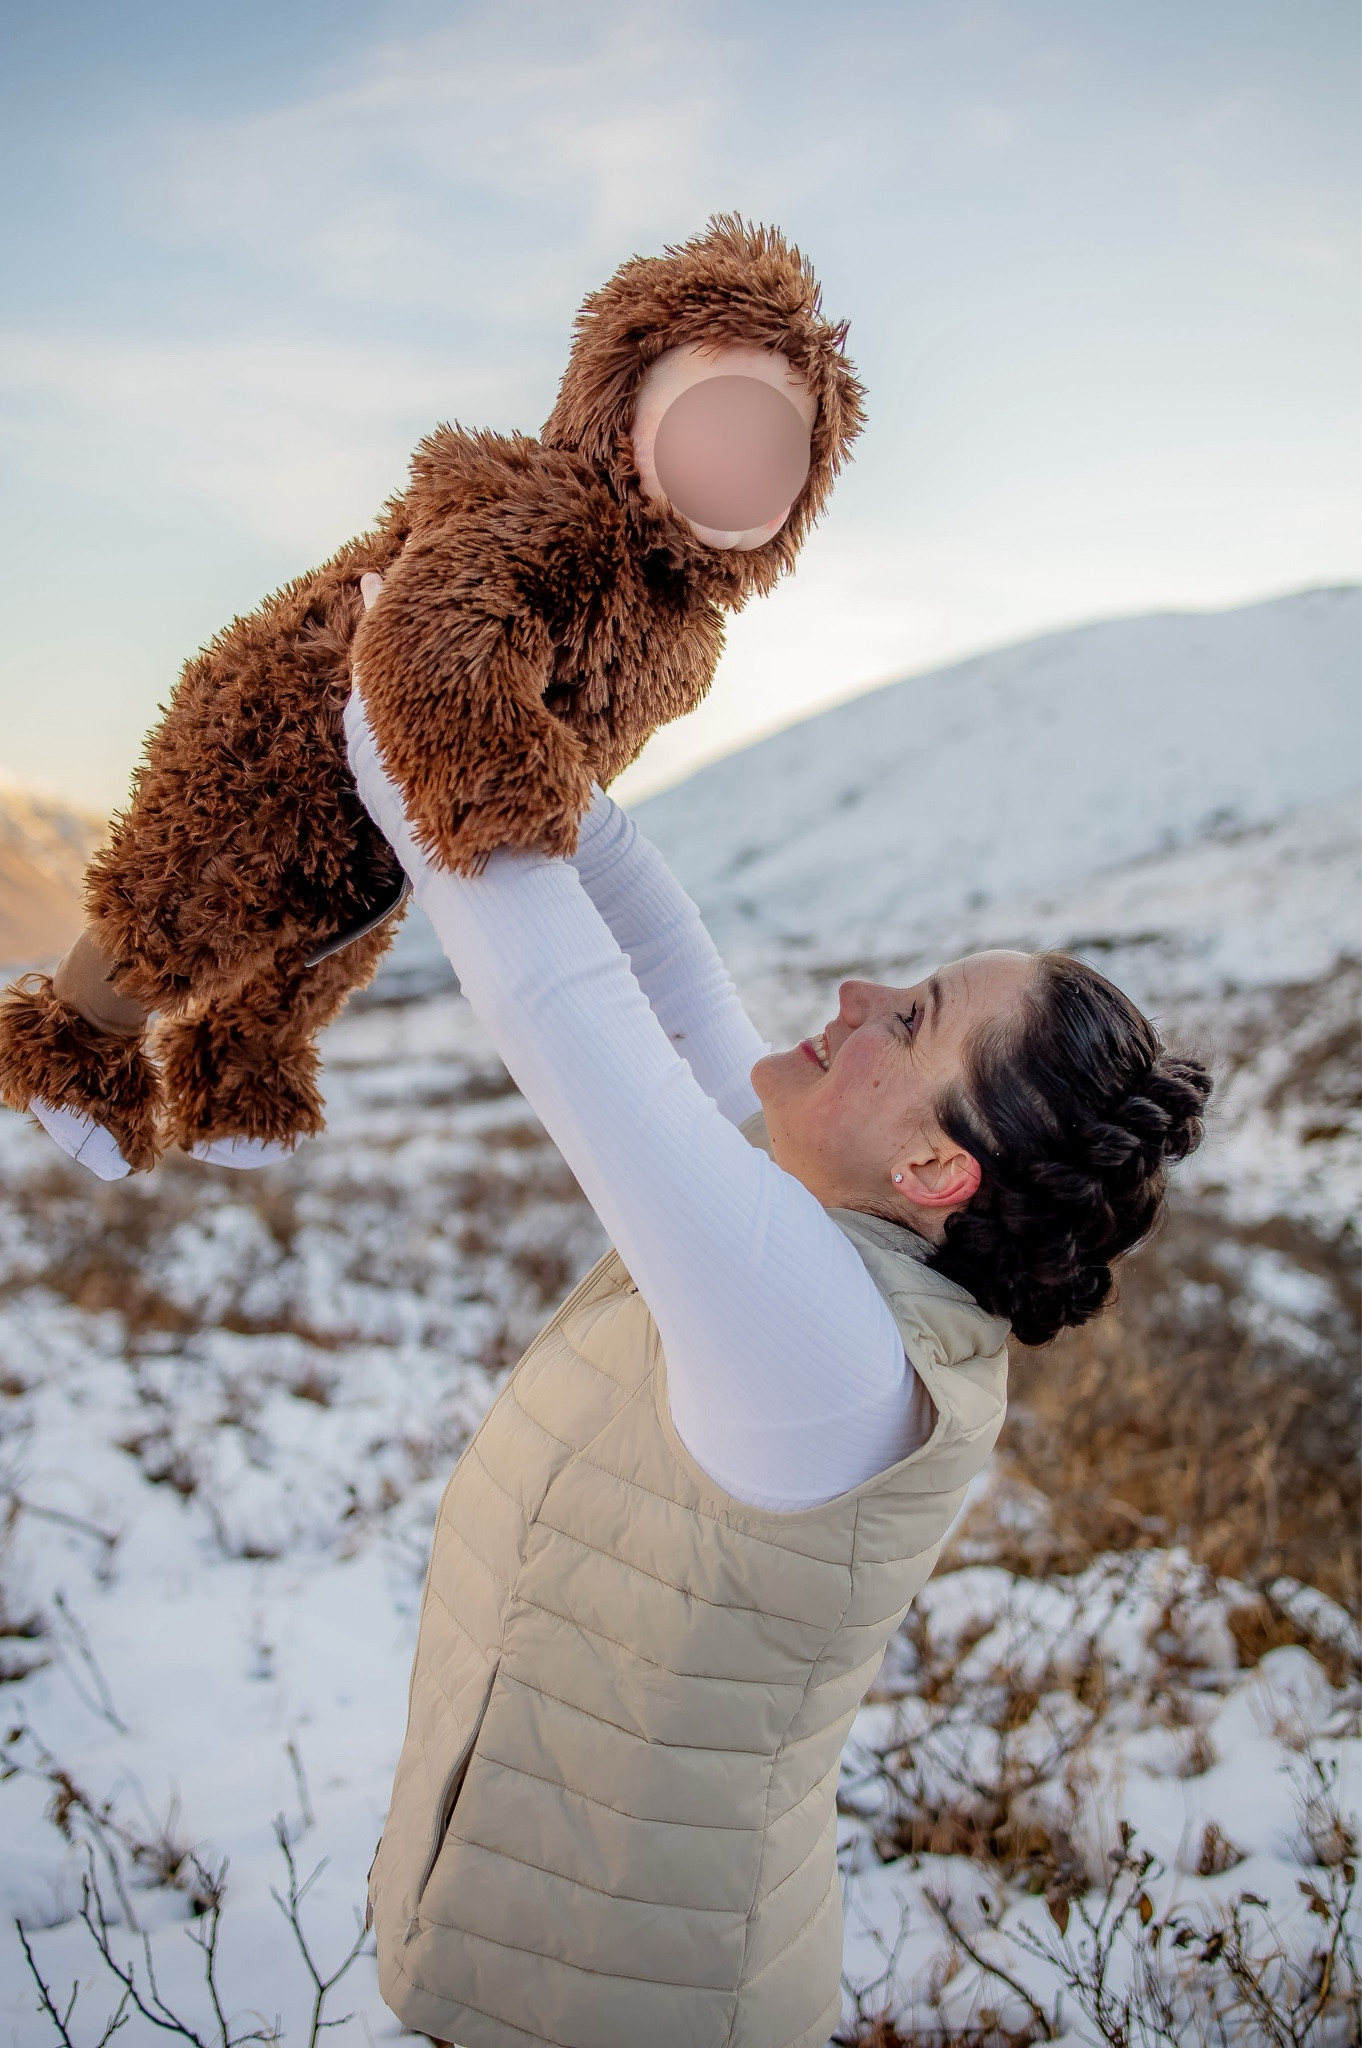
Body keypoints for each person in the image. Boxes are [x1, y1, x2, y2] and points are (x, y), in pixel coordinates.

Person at [345, 576, 1213, 2048]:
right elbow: (661, 969)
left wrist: (396, 676)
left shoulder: (819, 1350)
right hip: (553, 1964)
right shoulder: (824, 1241)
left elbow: (556, 997)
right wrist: (531, 722)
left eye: (909, 1020)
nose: (857, 992)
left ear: (934, 1169)